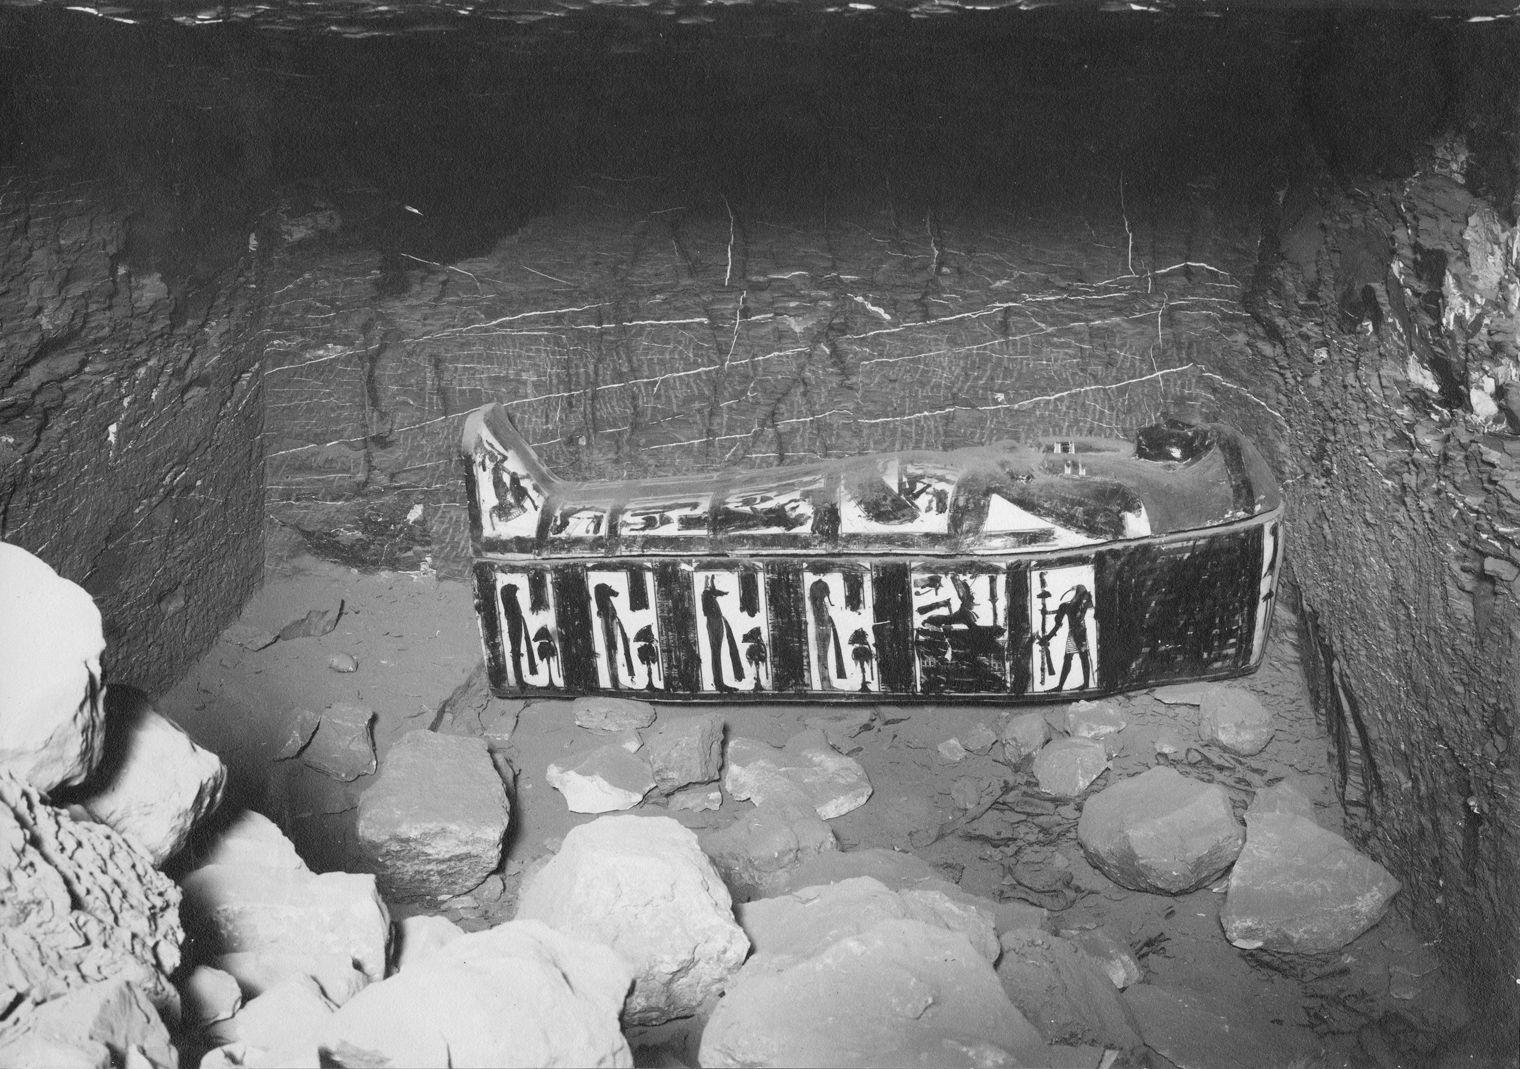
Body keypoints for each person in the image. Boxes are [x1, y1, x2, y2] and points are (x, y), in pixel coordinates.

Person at [1043, 585, 1094, 691]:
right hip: (1075, 634)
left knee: (1081, 657)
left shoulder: (1080, 604)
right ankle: (1061, 686)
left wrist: (1048, 637)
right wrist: (1048, 637)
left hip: (1080, 634)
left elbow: (1082, 612)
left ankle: (1084, 684)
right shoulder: (1066, 606)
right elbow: (1057, 624)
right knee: (1069, 659)